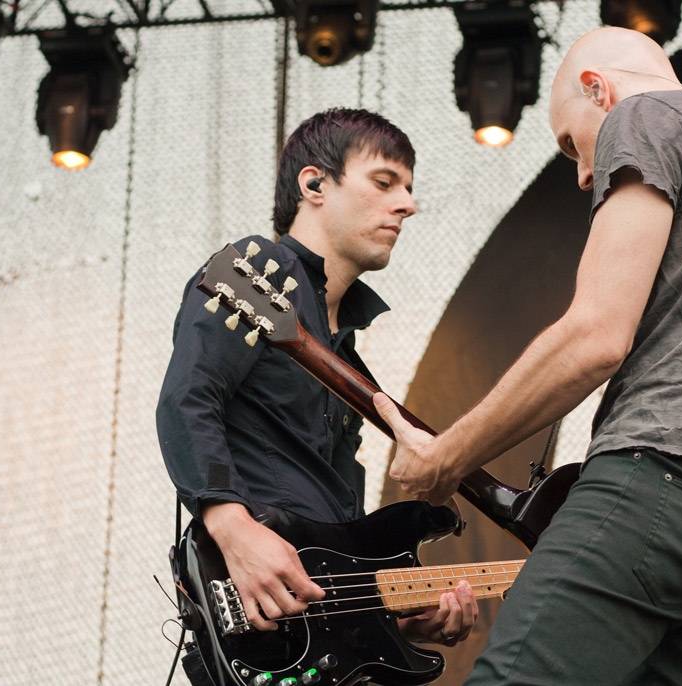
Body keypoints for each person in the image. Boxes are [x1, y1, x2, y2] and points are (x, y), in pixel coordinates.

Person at [374, 27, 682, 685]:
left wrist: (448, 456)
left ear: (598, 89)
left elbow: (597, 336)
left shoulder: (647, 115)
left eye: (573, 143)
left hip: (659, 485)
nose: (580, 173)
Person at [155, 108, 478, 667]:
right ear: (314, 184)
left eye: (408, 188)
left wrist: (396, 608)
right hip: (256, 608)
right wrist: (231, 528)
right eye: (384, 183)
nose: (407, 204)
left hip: (317, 632)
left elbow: (340, 529)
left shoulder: (346, 356)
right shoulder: (259, 274)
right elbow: (188, 398)